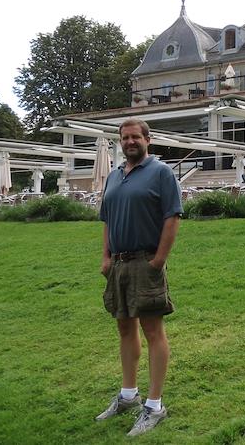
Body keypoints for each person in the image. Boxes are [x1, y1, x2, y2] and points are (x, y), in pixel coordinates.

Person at [96, 118, 183, 437]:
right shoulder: (114, 176)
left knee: (152, 330)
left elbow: (172, 217)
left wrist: (158, 260)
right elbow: (106, 220)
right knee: (124, 327)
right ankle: (128, 395)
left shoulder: (161, 172)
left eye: (135, 137)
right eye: (125, 138)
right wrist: (106, 257)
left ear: (148, 139)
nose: (130, 142)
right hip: (118, 264)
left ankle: (155, 405)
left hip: (146, 262)